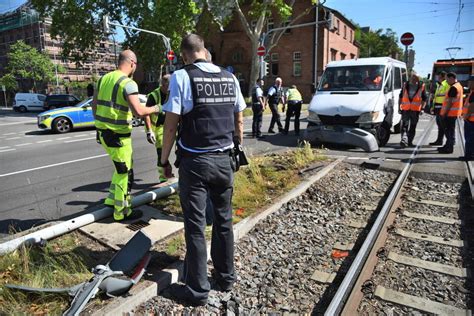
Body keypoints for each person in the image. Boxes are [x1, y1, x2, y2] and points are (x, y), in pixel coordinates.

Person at [159, 34, 245, 306]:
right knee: (223, 222)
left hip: (195, 162)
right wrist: (236, 149)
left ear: (185, 55)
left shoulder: (182, 77)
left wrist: (164, 160)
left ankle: (197, 292)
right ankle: (226, 277)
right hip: (224, 161)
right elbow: (239, 120)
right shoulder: (230, 78)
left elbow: (171, 125)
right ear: (205, 51)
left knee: (195, 226)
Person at [92, 50, 159, 221]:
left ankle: (111, 199)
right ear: (132, 63)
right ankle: (121, 212)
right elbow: (138, 112)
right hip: (118, 136)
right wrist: (157, 108)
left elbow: (94, 105)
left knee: (118, 168)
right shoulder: (128, 83)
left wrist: (101, 124)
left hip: (103, 132)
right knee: (125, 173)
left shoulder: (103, 79)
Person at [144, 74, 170, 183]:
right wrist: (149, 131)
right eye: (168, 86)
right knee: (162, 152)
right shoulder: (154, 96)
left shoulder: (172, 92)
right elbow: (146, 113)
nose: (170, 89)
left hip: (172, 126)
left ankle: (170, 172)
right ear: (163, 85)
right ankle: (163, 177)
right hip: (159, 128)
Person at [399, 71, 427, 148]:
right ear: (411, 77)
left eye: (416, 78)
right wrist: (399, 107)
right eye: (413, 77)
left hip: (415, 110)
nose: (414, 79)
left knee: (413, 126)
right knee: (404, 125)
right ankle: (404, 140)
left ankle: (409, 141)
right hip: (406, 109)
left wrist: (422, 108)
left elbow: (424, 98)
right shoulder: (406, 84)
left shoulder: (421, 86)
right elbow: (401, 96)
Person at [438, 72, 464, 154]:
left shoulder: (453, 87)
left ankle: (449, 147)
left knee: (449, 131)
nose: (446, 81)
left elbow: (450, 102)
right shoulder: (459, 86)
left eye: (447, 79)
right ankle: (447, 145)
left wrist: (445, 113)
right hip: (454, 113)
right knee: (450, 131)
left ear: (452, 78)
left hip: (450, 114)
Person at [429, 71, 449, 145]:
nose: (438, 78)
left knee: (443, 126)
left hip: (442, 108)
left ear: (443, 77)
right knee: (440, 126)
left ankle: (448, 142)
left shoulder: (446, 85)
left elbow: (447, 97)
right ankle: (439, 140)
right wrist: (432, 107)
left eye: (439, 77)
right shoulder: (439, 85)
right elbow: (436, 97)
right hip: (437, 108)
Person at [462, 75, 474, 160]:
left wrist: (466, 116)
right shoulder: (471, 92)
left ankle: (468, 156)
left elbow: (472, 107)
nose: (468, 83)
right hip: (471, 119)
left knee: (469, 139)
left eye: (470, 82)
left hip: (471, 120)